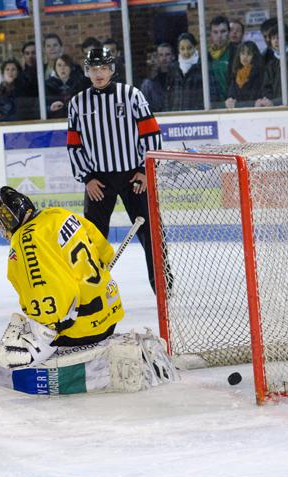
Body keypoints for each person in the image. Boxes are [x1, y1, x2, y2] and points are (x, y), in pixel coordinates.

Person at [0, 187, 175, 395]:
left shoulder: (24, 240)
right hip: (110, 314)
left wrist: (46, 331)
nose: (3, 227)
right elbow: (106, 252)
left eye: (2, 221)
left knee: (10, 353)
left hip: (81, 329)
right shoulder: (59, 214)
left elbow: (48, 292)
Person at [67, 48, 163, 293]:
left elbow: (150, 133)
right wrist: (87, 178)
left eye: (103, 68)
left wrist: (145, 170)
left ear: (112, 69)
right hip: (99, 180)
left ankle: (163, 288)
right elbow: (74, 144)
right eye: (94, 68)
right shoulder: (77, 103)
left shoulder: (131, 95)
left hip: (134, 177)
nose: (99, 73)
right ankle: (92, 290)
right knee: (92, 241)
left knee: (151, 234)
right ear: (87, 71)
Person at [256, 24, 288, 107]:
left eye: (279, 38)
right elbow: (266, 87)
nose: (276, 41)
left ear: (286, 38)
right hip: (275, 106)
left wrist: (276, 102)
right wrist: (270, 100)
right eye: (273, 38)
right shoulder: (271, 63)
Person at [168, 33, 204, 111]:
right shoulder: (173, 68)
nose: (186, 52)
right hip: (176, 115)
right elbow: (168, 95)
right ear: (178, 49)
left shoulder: (202, 66)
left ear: (195, 47)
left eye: (189, 48)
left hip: (197, 115)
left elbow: (212, 94)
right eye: (182, 48)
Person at [225, 41, 264, 109]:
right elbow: (231, 93)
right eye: (242, 53)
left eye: (249, 54)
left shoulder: (259, 74)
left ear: (254, 56)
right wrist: (230, 99)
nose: (245, 57)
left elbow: (257, 95)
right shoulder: (235, 74)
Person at [207, 15, 236, 105]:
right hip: (211, 105)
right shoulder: (205, 57)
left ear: (229, 32)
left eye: (223, 31)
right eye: (215, 32)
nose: (219, 36)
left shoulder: (236, 53)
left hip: (231, 104)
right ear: (211, 34)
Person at [45, 54, 83, 119]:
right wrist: (50, 108)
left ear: (71, 67)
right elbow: (40, 107)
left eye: (66, 65)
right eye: (59, 65)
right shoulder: (47, 85)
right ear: (55, 68)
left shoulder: (79, 83)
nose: (62, 68)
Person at [139, 43, 174, 112]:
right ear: (157, 57)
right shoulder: (149, 84)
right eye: (161, 55)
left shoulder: (179, 78)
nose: (164, 58)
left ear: (173, 56)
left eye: (167, 55)